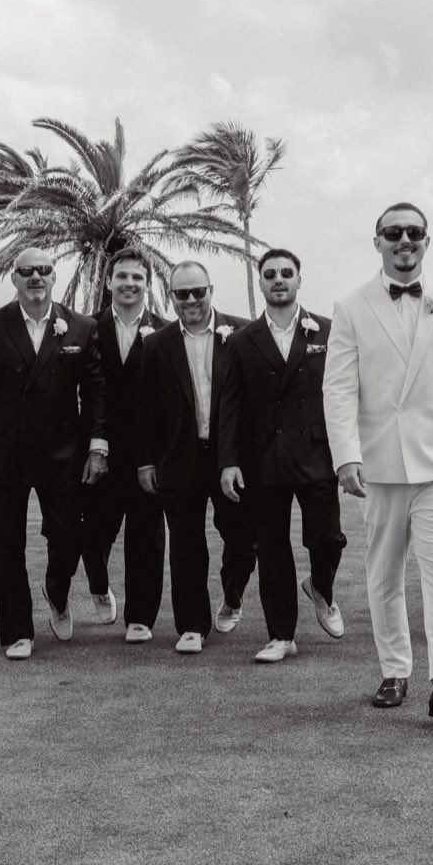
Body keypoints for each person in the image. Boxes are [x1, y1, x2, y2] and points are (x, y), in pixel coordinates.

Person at [322, 202, 433, 717]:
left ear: (426, 240)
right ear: (377, 240)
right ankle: (394, 670)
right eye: (394, 232)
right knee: (384, 571)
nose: (405, 240)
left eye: (414, 232)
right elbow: (338, 388)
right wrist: (345, 455)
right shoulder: (351, 305)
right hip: (380, 463)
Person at [0, 248, 108, 660]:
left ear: (54, 277)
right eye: (26, 271)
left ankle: (56, 592)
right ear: (14, 279)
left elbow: (95, 394)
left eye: (43, 270)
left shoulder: (81, 326)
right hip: (5, 452)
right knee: (8, 545)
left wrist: (97, 446)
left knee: (68, 535)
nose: (35, 277)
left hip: (64, 453)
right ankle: (17, 632)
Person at [218, 248, 347, 664]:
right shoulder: (242, 340)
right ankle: (281, 635)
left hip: (317, 454)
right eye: (270, 273)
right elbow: (231, 405)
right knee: (272, 548)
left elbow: (346, 394)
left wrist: (350, 453)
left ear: (298, 280)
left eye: (286, 273)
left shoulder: (328, 331)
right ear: (260, 282)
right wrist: (229, 461)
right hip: (263, 458)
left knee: (327, 538)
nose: (278, 279)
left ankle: (322, 587)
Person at [138, 262, 251, 654]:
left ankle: (233, 595)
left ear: (210, 290)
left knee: (243, 538)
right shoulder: (157, 344)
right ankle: (191, 625)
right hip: (178, 459)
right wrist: (146, 461)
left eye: (197, 292)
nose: (190, 300)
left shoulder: (241, 334)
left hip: (230, 459)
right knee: (186, 544)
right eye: (181, 293)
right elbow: (146, 410)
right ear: (171, 297)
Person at [80, 250, 169, 641]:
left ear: (147, 284)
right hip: (97, 450)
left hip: (148, 453)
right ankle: (98, 584)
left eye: (137, 277)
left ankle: (140, 618)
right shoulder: (87, 328)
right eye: (122, 276)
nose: (129, 283)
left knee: (146, 537)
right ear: (109, 281)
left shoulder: (164, 331)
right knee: (93, 532)